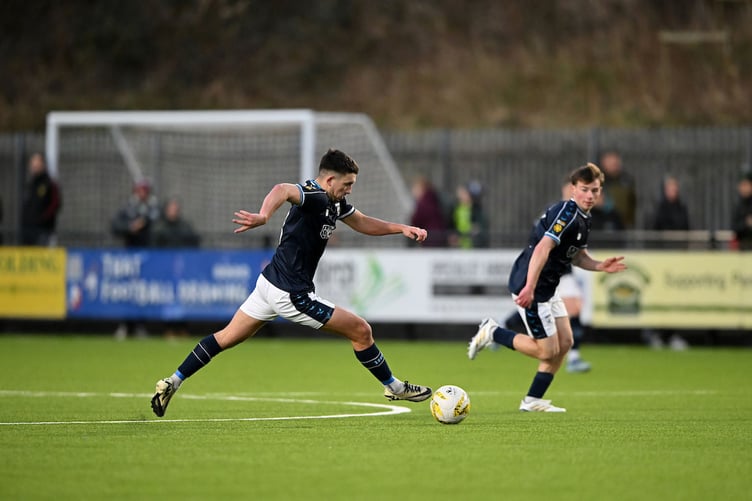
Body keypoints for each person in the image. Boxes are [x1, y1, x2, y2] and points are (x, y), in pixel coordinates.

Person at [150, 149, 433, 417]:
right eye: (347, 184)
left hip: (269, 284)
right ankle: (394, 387)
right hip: (290, 293)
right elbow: (282, 189)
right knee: (361, 330)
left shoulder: (334, 202)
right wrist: (263, 216)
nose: (349, 190)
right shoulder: (315, 195)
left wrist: (401, 228)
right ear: (330, 179)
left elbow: (362, 222)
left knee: (224, 338)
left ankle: (171, 383)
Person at [467, 163, 627, 413]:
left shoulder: (584, 217)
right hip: (533, 286)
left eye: (595, 190)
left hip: (548, 287)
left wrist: (600, 266)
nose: (590, 195)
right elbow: (542, 247)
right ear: (573, 189)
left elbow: (577, 257)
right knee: (547, 350)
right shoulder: (568, 213)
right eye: (585, 189)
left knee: (565, 343)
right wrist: (530, 287)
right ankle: (492, 332)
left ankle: (532, 400)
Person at [111, 179, 160, 339]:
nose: (142, 194)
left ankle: (140, 325)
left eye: (145, 191)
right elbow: (115, 226)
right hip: (130, 257)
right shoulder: (128, 209)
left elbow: (158, 225)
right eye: (140, 190)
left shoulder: (153, 209)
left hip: (149, 257)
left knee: (143, 293)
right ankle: (125, 325)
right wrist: (131, 227)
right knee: (127, 292)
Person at [152, 197, 201, 338]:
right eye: (171, 208)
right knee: (168, 299)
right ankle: (169, 328)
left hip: (182, 270)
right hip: (166, 271)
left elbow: (194, 242)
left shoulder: (184, 226)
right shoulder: (160, 228)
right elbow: (154, 249)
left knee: (183, 298)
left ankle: (182, 328)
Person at [21, 153, 62, 246]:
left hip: (43, 230)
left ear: (43, 165)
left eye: (37, 164)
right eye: (33, 164)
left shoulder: (49, 184)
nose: (34, 166)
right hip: (27, 230)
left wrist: (42, 219)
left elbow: (56, 204)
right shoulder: (30, 185)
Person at [599, 151, 637, 230]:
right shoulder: (597, 180)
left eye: (616, 162)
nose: (614, 165)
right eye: (611, 162)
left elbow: (632, 202)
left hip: (622, 224)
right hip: (601, 222)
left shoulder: (626, 180)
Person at [409, 175, 449, 247]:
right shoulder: (434, 199)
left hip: (430, 238)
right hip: (440, 236)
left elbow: (416, 220)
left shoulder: (423, 203)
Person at [449, 181, 489, 248]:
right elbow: (451, 225)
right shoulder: (455, 208)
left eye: (464, 193)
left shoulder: (476, 209)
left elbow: (481, 227)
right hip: (458, 247)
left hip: (473, 247)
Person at [731, 172, 752, 250]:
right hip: (742, 247)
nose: (743, 188)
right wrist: (746, 223)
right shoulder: (738, 205)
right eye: (741, 185)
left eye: (746, 185)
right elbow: (734, 227)